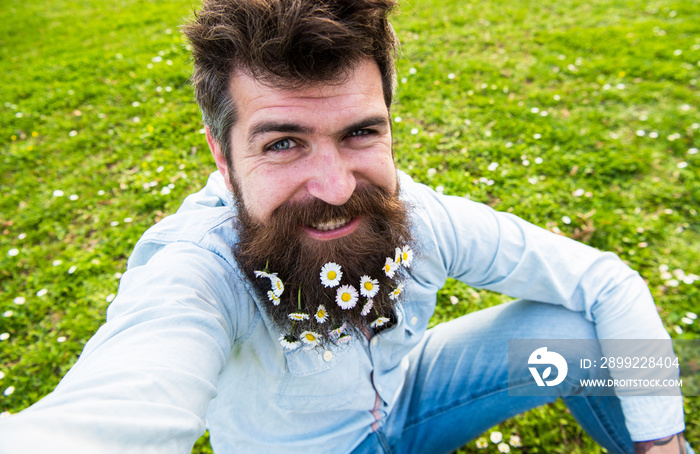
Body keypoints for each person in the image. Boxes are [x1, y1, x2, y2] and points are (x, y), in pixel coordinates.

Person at [0, 1, 693, 453]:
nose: (334, 189)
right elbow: (116, 410)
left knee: (576, 335)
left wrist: (660, 442)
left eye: (361, 132)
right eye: (282, 143)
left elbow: (605, 280)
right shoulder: (196, 270)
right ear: (220, 153)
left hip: (411, 403)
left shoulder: (421, 216)